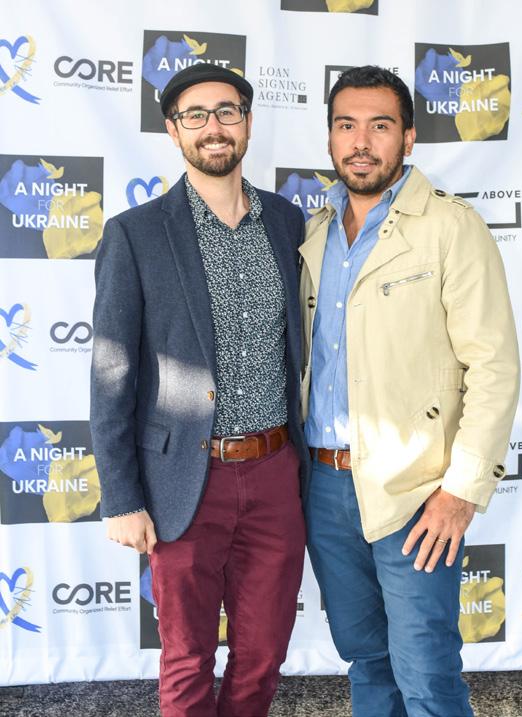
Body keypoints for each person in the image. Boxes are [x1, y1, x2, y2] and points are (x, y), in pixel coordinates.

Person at [299, 65, 520, 717]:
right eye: (346, 125)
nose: (361, 141)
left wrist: (461, 491)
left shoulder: (451, 227)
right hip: (324, 485)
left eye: (380, 125)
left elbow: (494, 367)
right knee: (367, 661)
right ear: (330, 137)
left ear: (409, 137)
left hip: (416, 489)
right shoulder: (314, 232)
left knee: (426, 674)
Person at [90, 63, 308, 717]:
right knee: (186, 659)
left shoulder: (288, 223)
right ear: (173, 129)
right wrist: (121, 497)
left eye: (226, 111)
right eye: (196, 115)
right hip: (182, 480)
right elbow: (111, 374)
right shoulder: (135, 234)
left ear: (247, 122)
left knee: (263, 655)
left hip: (275, 473)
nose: (213, 126)